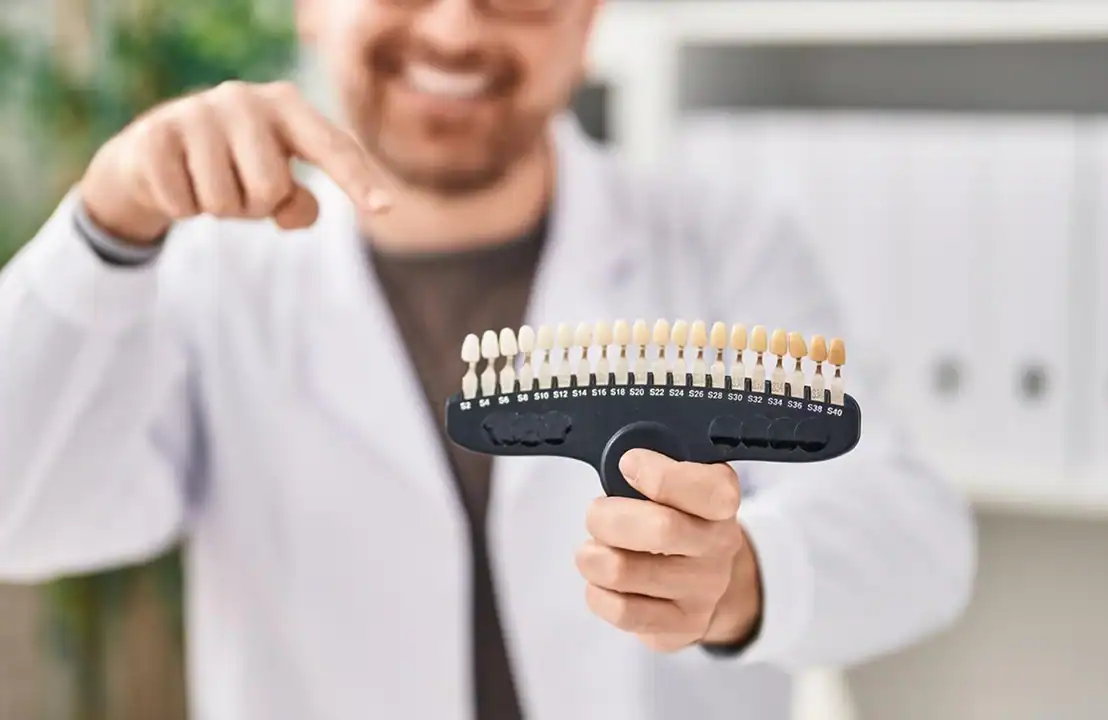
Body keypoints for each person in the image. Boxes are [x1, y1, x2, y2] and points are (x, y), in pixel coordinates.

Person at [0, 0, 976, 718]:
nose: (459, 31)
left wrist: (746, 581)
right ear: (309, 9)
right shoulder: (210, 277)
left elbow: (917, 541)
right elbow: (21, 516)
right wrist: (107, 231)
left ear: (587, 22)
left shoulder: (723, 243)